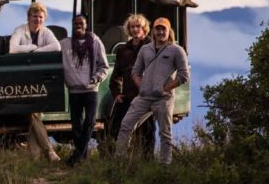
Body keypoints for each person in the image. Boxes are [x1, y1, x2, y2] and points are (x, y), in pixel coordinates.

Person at [115, 17, 190, 164]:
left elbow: (184, 76)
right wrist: (142, 86)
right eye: (158, 28)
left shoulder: (176, 50)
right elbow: (135, 72)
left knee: (165, 133)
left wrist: (165, 89)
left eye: (164, 29)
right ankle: (120, 162)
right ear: (153, 31)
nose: (161, 32)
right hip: (143, 97)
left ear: (169, 31)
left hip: (163, 98)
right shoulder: (145, 49)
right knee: (126, 125)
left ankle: (165, 166)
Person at [7, 2, 62, 162]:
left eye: (40, 16)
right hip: (24, 78)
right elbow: (13, 48)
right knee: (33, 112)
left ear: (44, 18)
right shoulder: (20, 30)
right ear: (28, 17)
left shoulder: (46, 32)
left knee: (33, 113)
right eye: (34, 16)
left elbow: (56, 46)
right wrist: (31, 47)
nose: (37, 19)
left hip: (40, 79)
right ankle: (49, 150)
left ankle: (36, 156)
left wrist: (37, 51)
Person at [62, 13, 107, 165]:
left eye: (81, 23)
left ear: (86, 25)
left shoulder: (95, 42)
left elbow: (104, 66)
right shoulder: (65, 44)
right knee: (76, 125)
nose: (78, 26)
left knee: (90, 121)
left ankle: (76, 156)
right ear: (72, 25)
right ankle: (83, 158)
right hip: (74, 90)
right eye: (75, 23)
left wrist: (95, 79)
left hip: (91, 90)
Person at [107, 13, 154, 155]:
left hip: (145, 95)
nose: (135, 29)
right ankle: (120, 159)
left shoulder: (151, 46)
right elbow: (116, 76)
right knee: (116, 128)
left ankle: (148, 162)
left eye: (138, 26)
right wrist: (116, 94)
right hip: (128, 96)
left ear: (144, 28)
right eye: (132, 27)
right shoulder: (123, 49)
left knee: (147, 131)